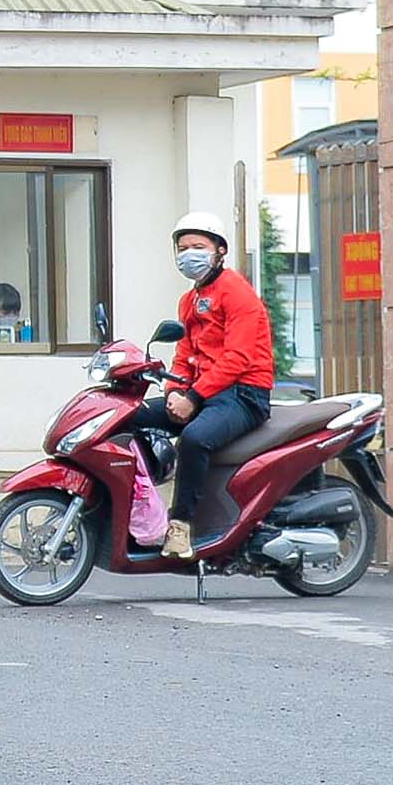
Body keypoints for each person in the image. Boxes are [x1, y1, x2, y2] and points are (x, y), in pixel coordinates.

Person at [132, 211, 276, 555]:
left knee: (194, 439)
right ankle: (142, 509)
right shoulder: (189, 300)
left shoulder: (237, 293)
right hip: (201, 393)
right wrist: (173, 393)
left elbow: (239, 358)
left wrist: (192, 397)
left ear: (219, 251)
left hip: (243, 394)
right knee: (128, 418)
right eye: (183, 248)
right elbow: (184, 353)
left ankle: (180, 527)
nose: (189, 254)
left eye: (199, 246)